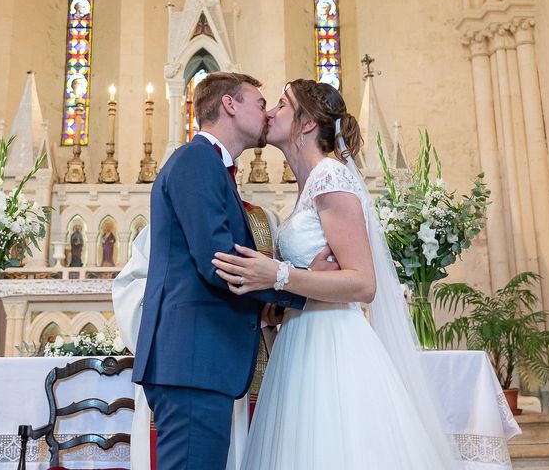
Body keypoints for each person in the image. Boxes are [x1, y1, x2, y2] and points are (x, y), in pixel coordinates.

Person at [212, 79, 462, 469]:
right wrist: (278, 298)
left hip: (331, 343)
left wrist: (278, 276)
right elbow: (314, 275)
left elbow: (363, 282)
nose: (271, 113)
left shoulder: (330, 177)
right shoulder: (311, 183)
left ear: (308, 123)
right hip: (299, 337)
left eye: (281, 104)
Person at [132, 72, 331, 470]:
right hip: (193, 361)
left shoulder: (211, 166)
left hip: (201, 362)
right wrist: (306, 288)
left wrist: (272, 302)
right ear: (229, 105)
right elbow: (218, 261)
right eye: (260, 103)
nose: (268, 113)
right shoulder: (195, 159)